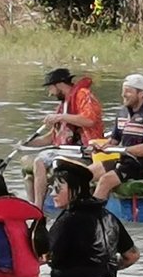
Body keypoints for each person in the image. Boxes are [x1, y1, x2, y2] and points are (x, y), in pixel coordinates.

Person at [32, 159, 139, 277]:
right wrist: (106, 268)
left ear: (76, 189)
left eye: (58, 188)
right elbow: (132, 256)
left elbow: (42, 257)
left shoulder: (68, 220)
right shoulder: (109, 217)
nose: (52, 193)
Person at [29, 67, 103, 209]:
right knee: (31, 166)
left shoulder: (83, 95)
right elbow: (52, 137)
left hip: (87, 152)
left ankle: (37, 208)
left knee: (40, 160)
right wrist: (29, 144)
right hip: (67, 151)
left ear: (59, 85)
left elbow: (90, 120)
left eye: (50, 88)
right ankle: (38, 203)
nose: (50, 93)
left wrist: (60, 117)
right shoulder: (64, 105)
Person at [92, 73, 143, 199]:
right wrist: (100, 147)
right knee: (85, 173)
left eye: (128, 91)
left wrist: (122, 150)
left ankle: (93, 216)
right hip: (126, 162)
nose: (123, 95)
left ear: (141, 94)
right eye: (123, 91)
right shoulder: (123, 113)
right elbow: (114, 140)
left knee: (105, 180)